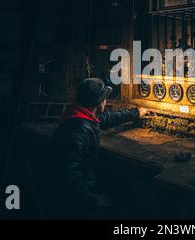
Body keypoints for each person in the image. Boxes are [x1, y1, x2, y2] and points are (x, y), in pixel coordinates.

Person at [49, 78, 148, 219]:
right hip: (76, 199)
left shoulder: (78, 114)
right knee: (123, 195)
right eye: (105, 98)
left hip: (83, 182)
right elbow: (68, 175)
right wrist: (92, 201)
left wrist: (135, 113)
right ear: (100, 102)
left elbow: (106, 118)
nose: (105, 101)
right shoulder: (79, 130)